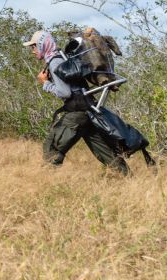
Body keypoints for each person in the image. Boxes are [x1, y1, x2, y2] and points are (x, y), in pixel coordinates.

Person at [23, 30, 129, 175]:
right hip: (89, 111)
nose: (33, 51)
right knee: (106, 152)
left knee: (52, 147)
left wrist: (46, 83)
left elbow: (65, 92)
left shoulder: (55, 62)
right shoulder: (62, 57)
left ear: (42, 44)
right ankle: (128, 177)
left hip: (77, 113)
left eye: (34, 47)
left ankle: (46, 182)